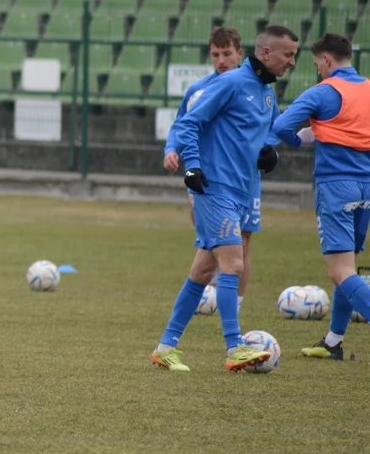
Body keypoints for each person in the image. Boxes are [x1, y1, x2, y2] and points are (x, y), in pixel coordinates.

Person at [151, 25, 298, 372]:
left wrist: (268, 153)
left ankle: (166, 346)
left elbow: (265, 136)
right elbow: (188, 124)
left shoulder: (265, 92)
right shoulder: (230, 84)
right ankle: (235, 347)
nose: (292, 62)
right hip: (214, 187)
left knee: (203, 270)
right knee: (233, 264)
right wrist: (193, 168)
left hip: (242, 191)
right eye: (288, 55)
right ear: (266, 53)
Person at [269, 33, 370, 360]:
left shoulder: (324, 92)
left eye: (316, 64)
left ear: (326, 59)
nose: (317, 70)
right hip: (366, 186)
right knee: (349, 265)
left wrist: (303, 138)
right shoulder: (367, 87)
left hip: (336, 186)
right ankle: (332, 342)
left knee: (340, 271)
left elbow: (281, 125)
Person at [163, 27, 259, 308]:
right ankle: (218, 292)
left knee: (243, 240)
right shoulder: (198, 90)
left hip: (246, 179)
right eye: (216, 54)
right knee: (211, 239)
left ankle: (234, 305)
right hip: (208, 178)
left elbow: (269, 127)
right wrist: (171, 149)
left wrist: (269, 147)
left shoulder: (255, 88)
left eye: (227, 53)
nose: (221, 60)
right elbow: (182, 124)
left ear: (239, 54)